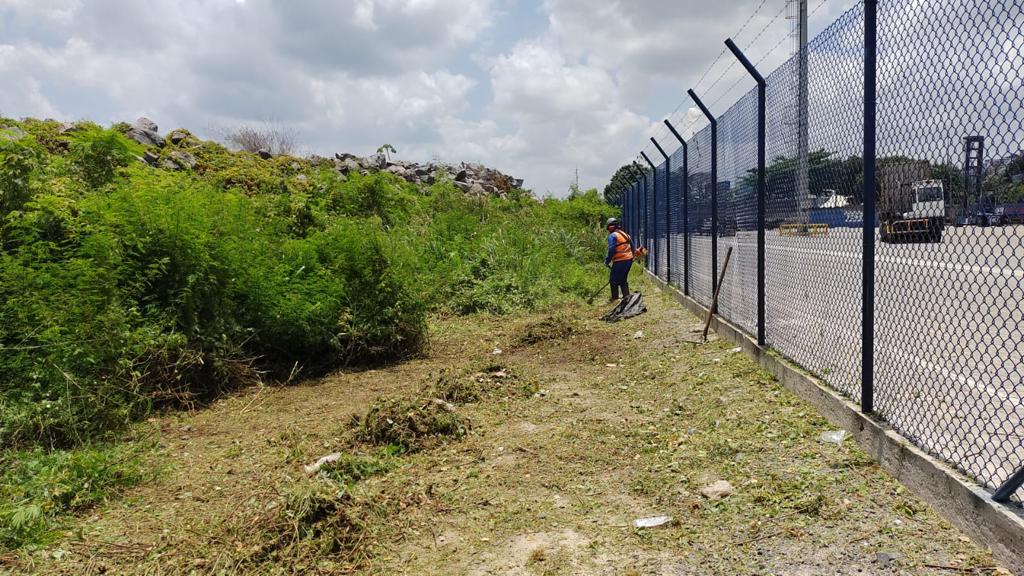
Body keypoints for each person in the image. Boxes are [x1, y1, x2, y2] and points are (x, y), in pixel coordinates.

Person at [604, 217, 634, 302]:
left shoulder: (612, 235)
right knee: (623, 280)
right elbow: (633, 247)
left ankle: (615, 299)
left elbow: (611, 250)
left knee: (613, 280)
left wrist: (607, 261)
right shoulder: (625, 234)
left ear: (611, 227)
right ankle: (627, 298)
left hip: (620, 261)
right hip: (629, 260)